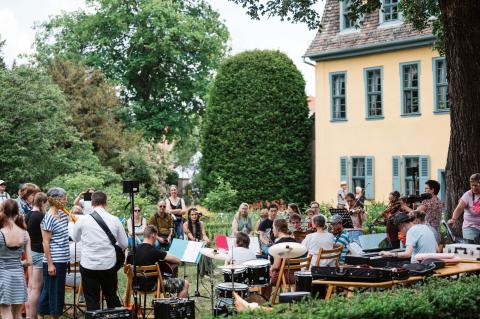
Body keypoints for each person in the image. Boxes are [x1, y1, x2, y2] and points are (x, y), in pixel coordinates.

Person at [73, 191, 128, 311]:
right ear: (106, 202)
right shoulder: (115, 220)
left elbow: (75, 238)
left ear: (92, 203)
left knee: (92, 299)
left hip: (89, 265)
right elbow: (124, 244)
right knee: (111, 297)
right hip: (108, 265)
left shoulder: (82, 220)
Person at [128, 225, 189, 298]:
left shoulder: (132, 251)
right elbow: (178, 260)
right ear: (153, 235)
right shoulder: (155, 251)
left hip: (135, 285)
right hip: (153, 286)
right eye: (156, 235)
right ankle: (176, 308)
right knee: (185, 283)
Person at [38, 188, 70, 319]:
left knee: (49, 291)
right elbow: (45, 242)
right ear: (56, 199)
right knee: (55, 292)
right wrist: (50, 264)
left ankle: (40, 315)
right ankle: (52, 316)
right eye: (63, 198)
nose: (65, 200)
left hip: (62, 259)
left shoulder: (62, 214)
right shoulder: (49, 217)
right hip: (54, 261)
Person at [0, 199, 32, 319]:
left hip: (2, 276)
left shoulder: (0, 234)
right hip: (18, 276)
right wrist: (18, 263)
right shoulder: (25, 234)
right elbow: (29, 262)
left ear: (2, 212)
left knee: (5, 312)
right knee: (17, 314)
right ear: (17, 212)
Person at [26, 192, 48, 319]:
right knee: (36, 287)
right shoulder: (41, 216)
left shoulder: (28, 215)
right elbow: (45, 237)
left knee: (30, 286)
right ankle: (32, 316)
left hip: (30, 252)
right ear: (42, 202)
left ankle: (29, 315)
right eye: (45, 203)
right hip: (39, 253)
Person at [265, 219, 297, 299]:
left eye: (273, 228)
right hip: (296, 275)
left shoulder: (279, 244)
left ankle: (264, 301)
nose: (272, 230)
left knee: (263, 277)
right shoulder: (294, 241)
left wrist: (269, 270)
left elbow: (276, 265)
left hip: (283, 275)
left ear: (277, 228)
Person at [448, 173, 480, 241]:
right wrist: (453, 219)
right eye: (472, 185)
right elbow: (459, 208)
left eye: (476, 185)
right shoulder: (467, 195)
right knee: (472, 248)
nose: (474, 187)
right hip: (470, 227)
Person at [183, 208, 211, 276]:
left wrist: (207, 239)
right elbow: (191, 238)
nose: (194, 216)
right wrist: (201, 242)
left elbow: (203, 234)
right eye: (192, 214)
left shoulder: (200, 223)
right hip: (190, 245)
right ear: (189, 216)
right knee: (202, 247)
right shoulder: (185, 224)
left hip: (199, 243)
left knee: (204, 246)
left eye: (195, 214)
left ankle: (205, 272)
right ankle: (207, 271)